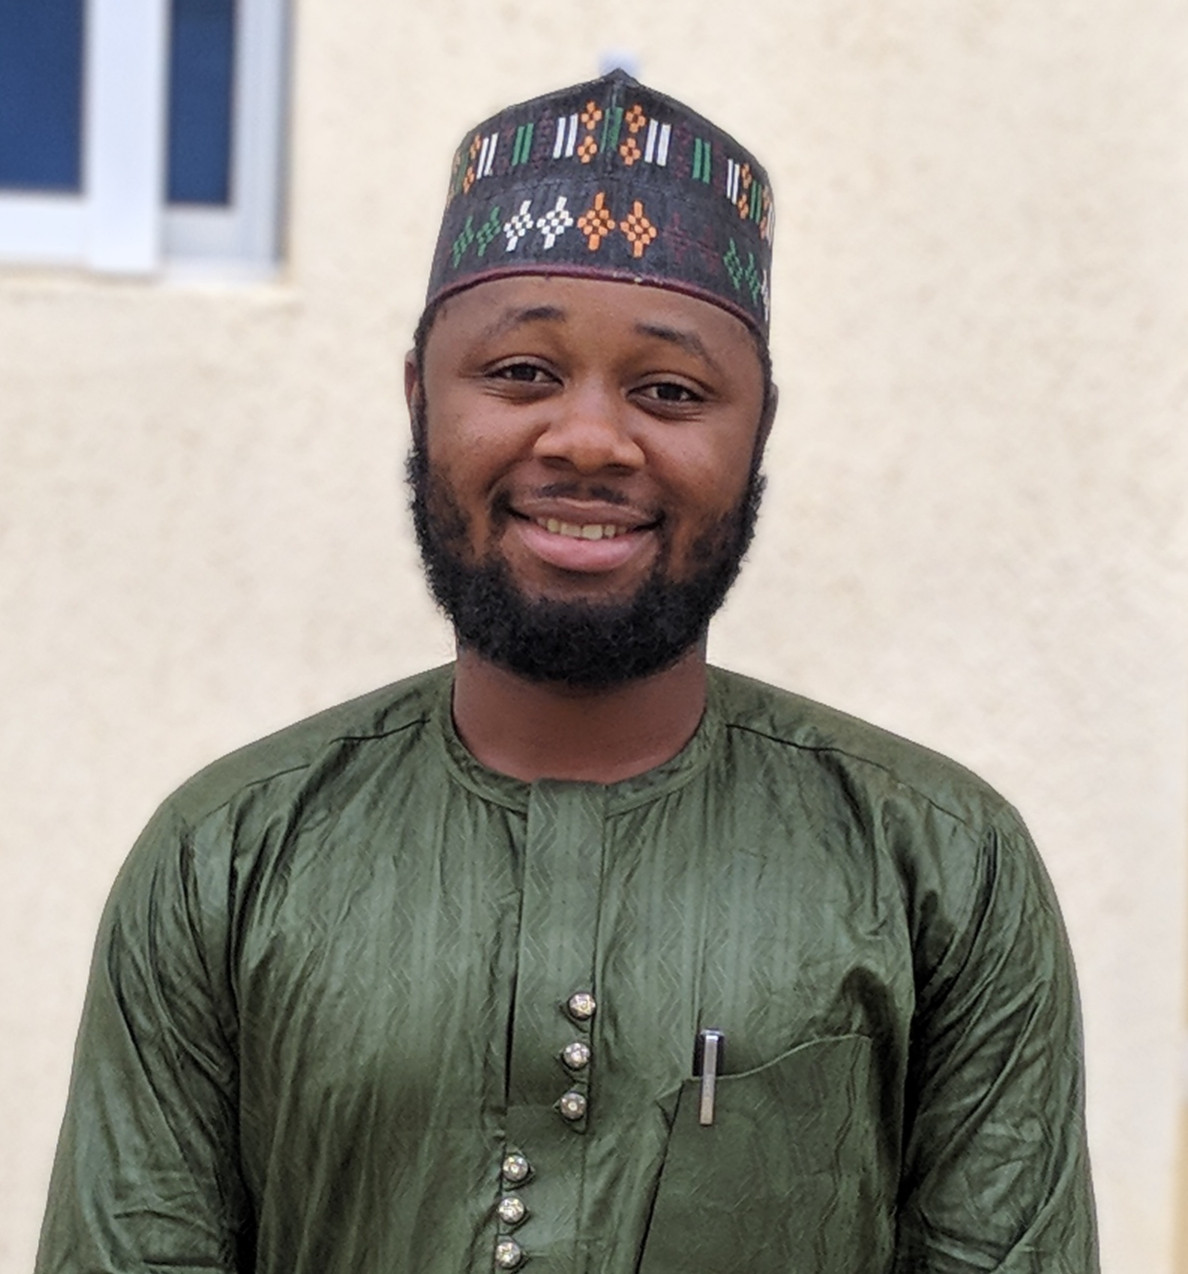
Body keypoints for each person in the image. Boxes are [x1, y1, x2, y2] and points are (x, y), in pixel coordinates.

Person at [37, 70, 1098, 1273]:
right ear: (419, 398)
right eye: (521, 374)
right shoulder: (224, 858)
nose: (589, 439)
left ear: (757, 428)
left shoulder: (941, 867)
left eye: (669, 391)